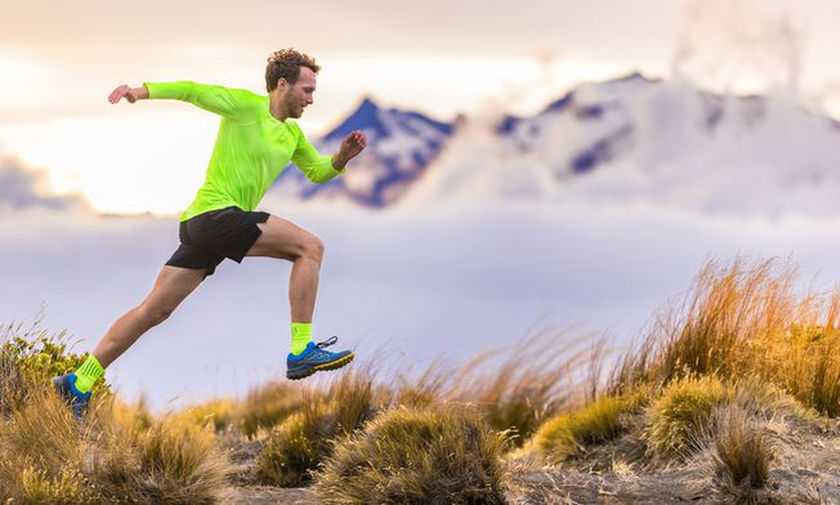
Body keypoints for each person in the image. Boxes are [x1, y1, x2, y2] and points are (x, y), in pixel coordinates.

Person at [52, 48, 367, 417]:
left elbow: (317, 171)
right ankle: (301, 349)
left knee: (153, 312)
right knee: (310, 247)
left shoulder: (292, 135)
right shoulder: (245, 106)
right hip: (216, 216)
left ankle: (79, 382)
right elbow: (192, 90)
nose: (312, 99)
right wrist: (142, 91)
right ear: (282, 84)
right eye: (307, 90)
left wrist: (343, 156)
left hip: (204, 227)